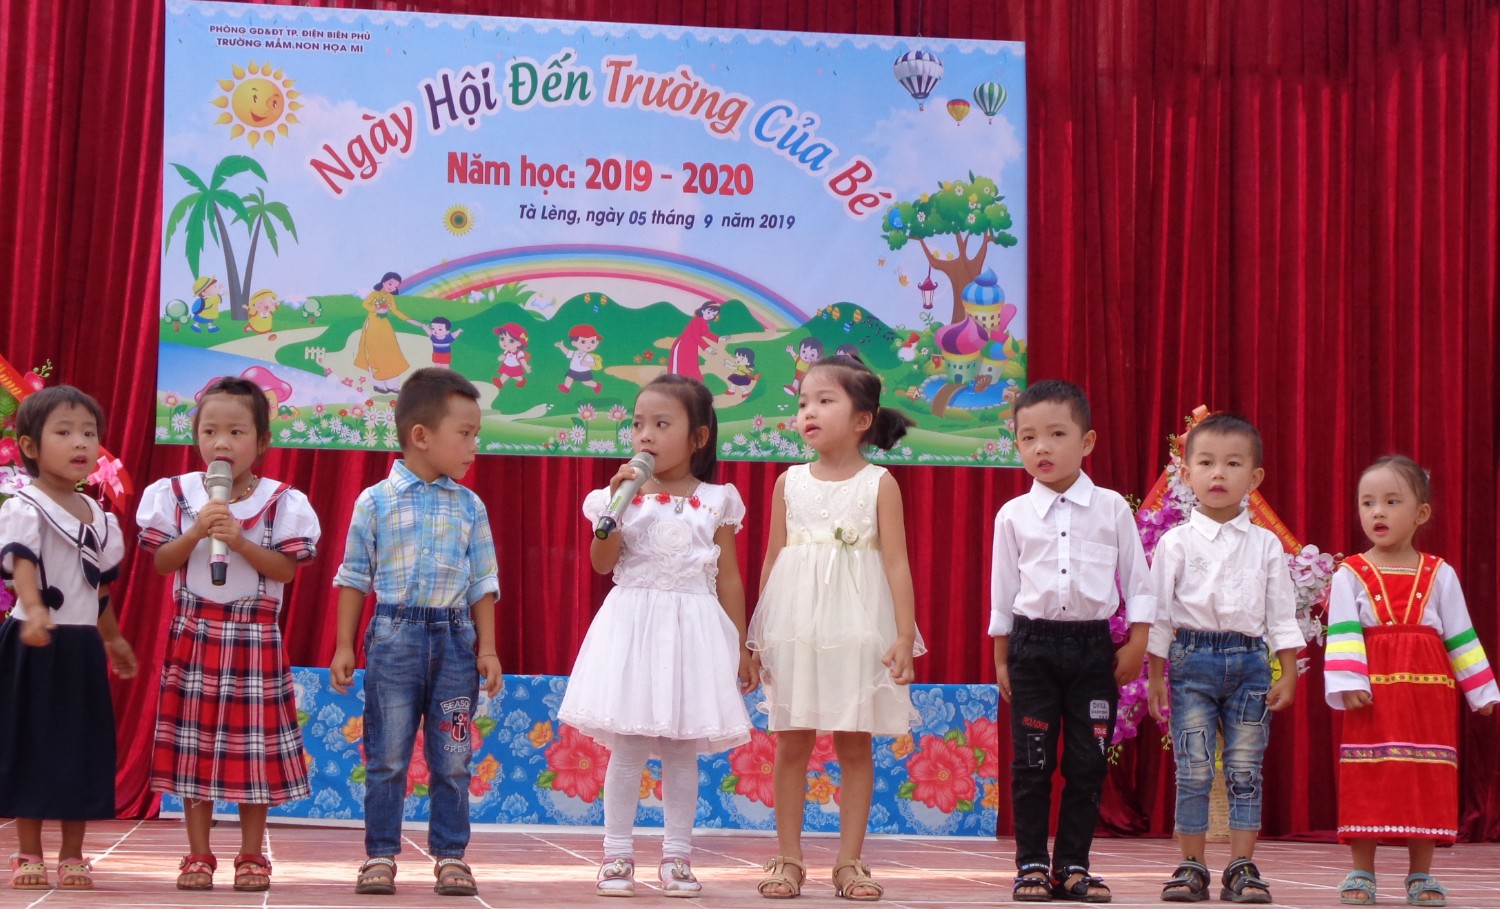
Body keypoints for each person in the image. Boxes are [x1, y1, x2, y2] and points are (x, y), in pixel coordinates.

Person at [558, 374, 756, 897]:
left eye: (662, 424)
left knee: (680, 750)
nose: (645, 434)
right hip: (633, 631)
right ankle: (616, 855)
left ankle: (677, 857)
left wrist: (742, 645)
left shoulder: (717, 500)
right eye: (638, 424)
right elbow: (602, 563)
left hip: (692, 634)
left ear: (698, 438)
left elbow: (729, 578)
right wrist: (614, 508)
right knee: (628, 746)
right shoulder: (619, 496)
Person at [748, 354, 922, 901]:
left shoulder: (880, 483)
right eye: (803, 403)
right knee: (791, 741)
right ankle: (788, 858)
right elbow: (773, 558)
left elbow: (896, 562)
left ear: (862, 419)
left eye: (825, 401)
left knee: (854, 743)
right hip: (797, 626)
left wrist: (904, 635)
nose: (809, 412)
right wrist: (758, 638)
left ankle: (849, 862)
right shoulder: (789, 483)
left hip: (857, 627)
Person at [137, 376, 320, 891]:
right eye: (210, 431)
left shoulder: (283, 501)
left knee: (252, 749)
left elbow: (285, 571)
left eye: (237, 432)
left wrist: (238, 540)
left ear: (262, 441)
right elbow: (162, 563)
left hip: (253, 638)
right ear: (195, 435)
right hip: (193, 633)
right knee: (192, 745)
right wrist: (197, 530)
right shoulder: (176, 496)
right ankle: (198, 852)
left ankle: (251, 853)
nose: (222, 443)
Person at [330, 367, 502, 898]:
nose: (474, 445)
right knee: (387, 756)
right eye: (465, 433)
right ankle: (380, 854)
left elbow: (482, 581)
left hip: (455, 643)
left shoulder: (470, 505)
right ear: (421, 435)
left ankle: (451, 856)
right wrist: (343, 645)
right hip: (394, 637)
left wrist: (488, 648)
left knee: (453, 756)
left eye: (476, 434)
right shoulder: (374, 501)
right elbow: (354, 577)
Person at [989, 379, 1155, 903]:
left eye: (1057, 434)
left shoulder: (1111, 508)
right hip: (1031, 651)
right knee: (1032, 763)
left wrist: (1137, 642)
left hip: (1092, 652)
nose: (1041, 447)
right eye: (1028, 437)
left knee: (1088, 762)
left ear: (1086, 442)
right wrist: (1002, 658)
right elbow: (1003, 594)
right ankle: (1032, 865)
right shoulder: (1013, 515)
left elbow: (1139, 580)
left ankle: (1074, 866)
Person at [1325, 456, 1498, 908]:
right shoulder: (1350, 573)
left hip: (1428, 697)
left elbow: (1460, 634)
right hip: (1372, 696)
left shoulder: (1441, 573)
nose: (1377, 512)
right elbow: (1343, 631)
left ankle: (1421, 872)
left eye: (1391, 501)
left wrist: (1480, 690)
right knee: (1369, 773)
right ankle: (1361, 870)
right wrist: (1348, 682)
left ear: (1421, 513)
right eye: (1367, 502)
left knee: (1426, 774)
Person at [1144, 413, 1302, 904]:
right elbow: (1159, 616)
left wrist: (1289, 672)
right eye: (1206, 463)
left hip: (1250, 664)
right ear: (1185, 474)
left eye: (1233, 464)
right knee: (1193, 767)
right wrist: (1155, 677)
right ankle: (1191, 865)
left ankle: (1241, 867)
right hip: (1191, 662)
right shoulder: (1174, 543)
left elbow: (1281, 614)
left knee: (1244, 768)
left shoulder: (1266, 545)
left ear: (1254, 477)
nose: (1218, 474)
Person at [0, 386, 136, 891]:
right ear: (30, 446)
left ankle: (74, 854)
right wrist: (35, 611)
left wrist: (113, 639)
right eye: (64, 432)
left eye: (89, 433)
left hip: (80, 648)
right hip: (33, 643)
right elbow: (23, 564)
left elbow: (96, 589)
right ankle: (28, 852)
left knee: (80, 745)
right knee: (32, 742)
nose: (81, 443)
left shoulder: (101, 518)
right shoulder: (25, 506)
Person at [354, 271, 415, 394]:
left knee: (392, 351)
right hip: (372, 324)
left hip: (385, 325)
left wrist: (409, 320)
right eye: (390, 284)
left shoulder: (390, 297)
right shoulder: (374, 294)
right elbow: (365, 304)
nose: (392, 287)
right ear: (383, 282)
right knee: (374, 353)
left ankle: (392, 384)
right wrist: (375, 309)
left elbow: (395, 311)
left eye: (395, 286)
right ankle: (378, 384)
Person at [666, 300, 722, 381]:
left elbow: (705, 333)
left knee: (691, 363)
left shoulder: (704, 322)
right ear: (703, 310)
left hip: (692, 345)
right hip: (684, 345)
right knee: (680, 364)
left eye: (713, 314)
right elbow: (696, 336)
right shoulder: (697, 320)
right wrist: (707, 348)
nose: (710, 316)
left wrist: (718, 339)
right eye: (709, 312)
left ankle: (691, 380)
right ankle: (676, 380)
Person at [555, 324, 604, 393]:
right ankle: (566, 387)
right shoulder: (575, 353)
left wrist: (586, 363)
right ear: (574, 343)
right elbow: (567, 352)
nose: (589, 344)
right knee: (569, 378)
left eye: (592, 341)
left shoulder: (587, 356)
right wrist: (561, 347)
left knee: (586, 382)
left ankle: (596, 385)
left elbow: (592, 364)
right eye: (583, 342)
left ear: (596, 343)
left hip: (584, 372)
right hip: (573, 370)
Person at [491, 322, 532, 389]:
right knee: (506, 374)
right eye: (502, 339)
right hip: (507, 365)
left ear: (519, 343)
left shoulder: (519, 353)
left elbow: (522, 360)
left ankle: (520, 380)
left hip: (514, 367)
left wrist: (526, 366)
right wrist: (500, 358)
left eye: (511, 341)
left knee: (512, 375)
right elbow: (502, 356)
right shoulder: (507, 351)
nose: (504, 342)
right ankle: (501, 382)